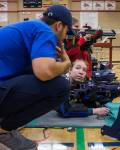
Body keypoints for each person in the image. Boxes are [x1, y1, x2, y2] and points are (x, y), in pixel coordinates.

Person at [0, 5, 72, 150]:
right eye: (67, 31)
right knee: (60, 86)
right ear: (58, 26)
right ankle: (3, 130)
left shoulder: (30, 28)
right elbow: (44, 73)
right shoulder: (45, 30)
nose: (65, 37)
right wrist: (67, 64)